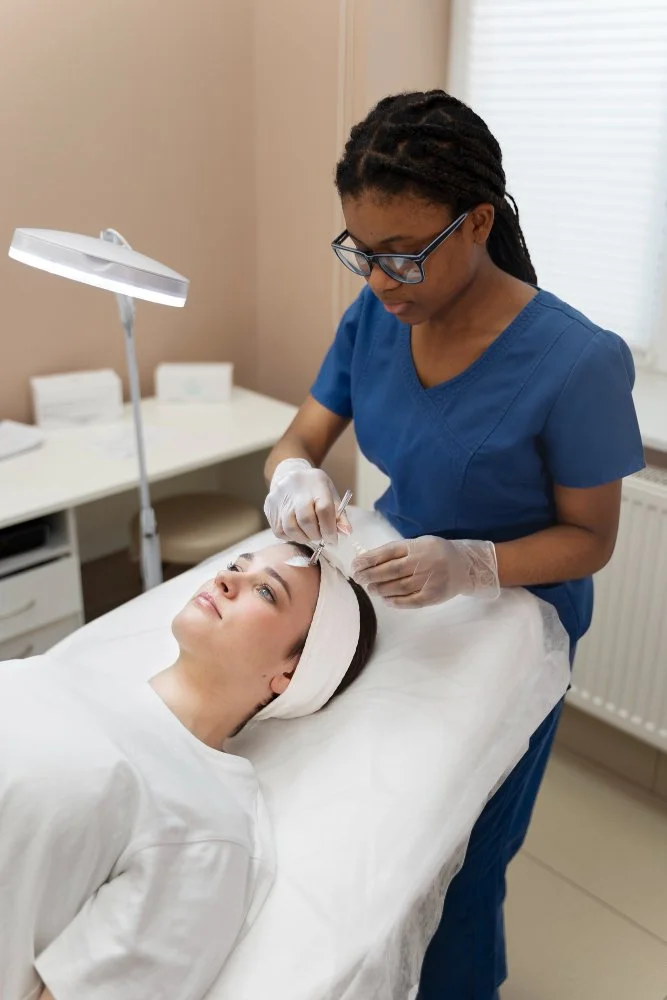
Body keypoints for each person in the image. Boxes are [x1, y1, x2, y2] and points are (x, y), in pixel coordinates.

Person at [263, 91, 645, 998]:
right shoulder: (375, 318)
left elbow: (589, 540)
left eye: (402, 256)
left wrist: (472, 563)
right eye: (361, 253)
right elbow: (299, 438)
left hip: (515, 623)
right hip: (399, 597)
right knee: (376, 838)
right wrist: (291, 480)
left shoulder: (576, 361)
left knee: (460, 860)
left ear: (476, 223)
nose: (380, 280)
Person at [1, 540, 377, 1000]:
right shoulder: (65, 675)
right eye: (238, 565)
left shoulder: (210, 823)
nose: (227, 578)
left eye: (265, 592)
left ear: (290, 674)